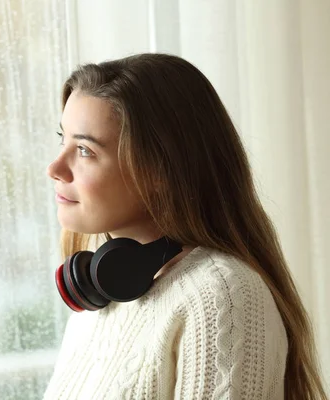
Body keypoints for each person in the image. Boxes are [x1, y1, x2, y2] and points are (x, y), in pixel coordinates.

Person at [43, 53, 328, 400]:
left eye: (85, 150)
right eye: (63, 140)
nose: (55, 167)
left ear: (160, 170)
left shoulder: (223, 296)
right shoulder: (98, 295)